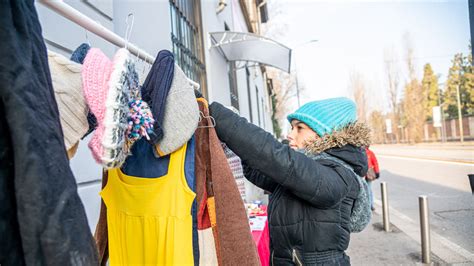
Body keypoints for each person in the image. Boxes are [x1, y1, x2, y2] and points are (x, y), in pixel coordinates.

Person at [209, 97, 371, 265]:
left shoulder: (340, 174)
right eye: (292, 127)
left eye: (299, 128)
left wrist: (220, 117)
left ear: (326, 134)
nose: (290, 135)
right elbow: (261, 168)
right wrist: (235, 142)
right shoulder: (305, 170)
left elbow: (278, 159)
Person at [365, 147, 380, 211]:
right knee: (367, 190)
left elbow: (375, 162)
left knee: (368, 189)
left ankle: (370, 205)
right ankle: (368, 205)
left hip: (369, 173)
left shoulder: (370, 153)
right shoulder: (367, 152)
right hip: (362, 174)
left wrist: (377, 172)